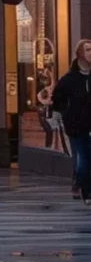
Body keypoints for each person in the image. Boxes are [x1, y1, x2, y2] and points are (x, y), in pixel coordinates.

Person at [52, 39, 91, 205]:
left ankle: (82, 186)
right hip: (77, 126)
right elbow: (58, 98)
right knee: (82, 161)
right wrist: (61, 114)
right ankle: (85, 190)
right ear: (80, 54)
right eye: (88, 50)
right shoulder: (70, 79)